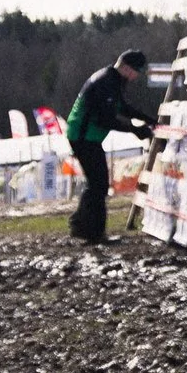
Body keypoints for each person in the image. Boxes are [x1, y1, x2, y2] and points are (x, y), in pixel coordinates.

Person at [65, 51, 155, 243]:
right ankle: (93, 232)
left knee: (96, 183)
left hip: (86, 136)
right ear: (125, 67)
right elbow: (106, 119)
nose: (136, 76)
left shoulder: (113, 81)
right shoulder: (107, 82)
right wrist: (134, 130)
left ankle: (80, 225)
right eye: (135, 71)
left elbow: (123, 108)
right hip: (84, 136)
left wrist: (149, 120)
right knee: (99, 184)